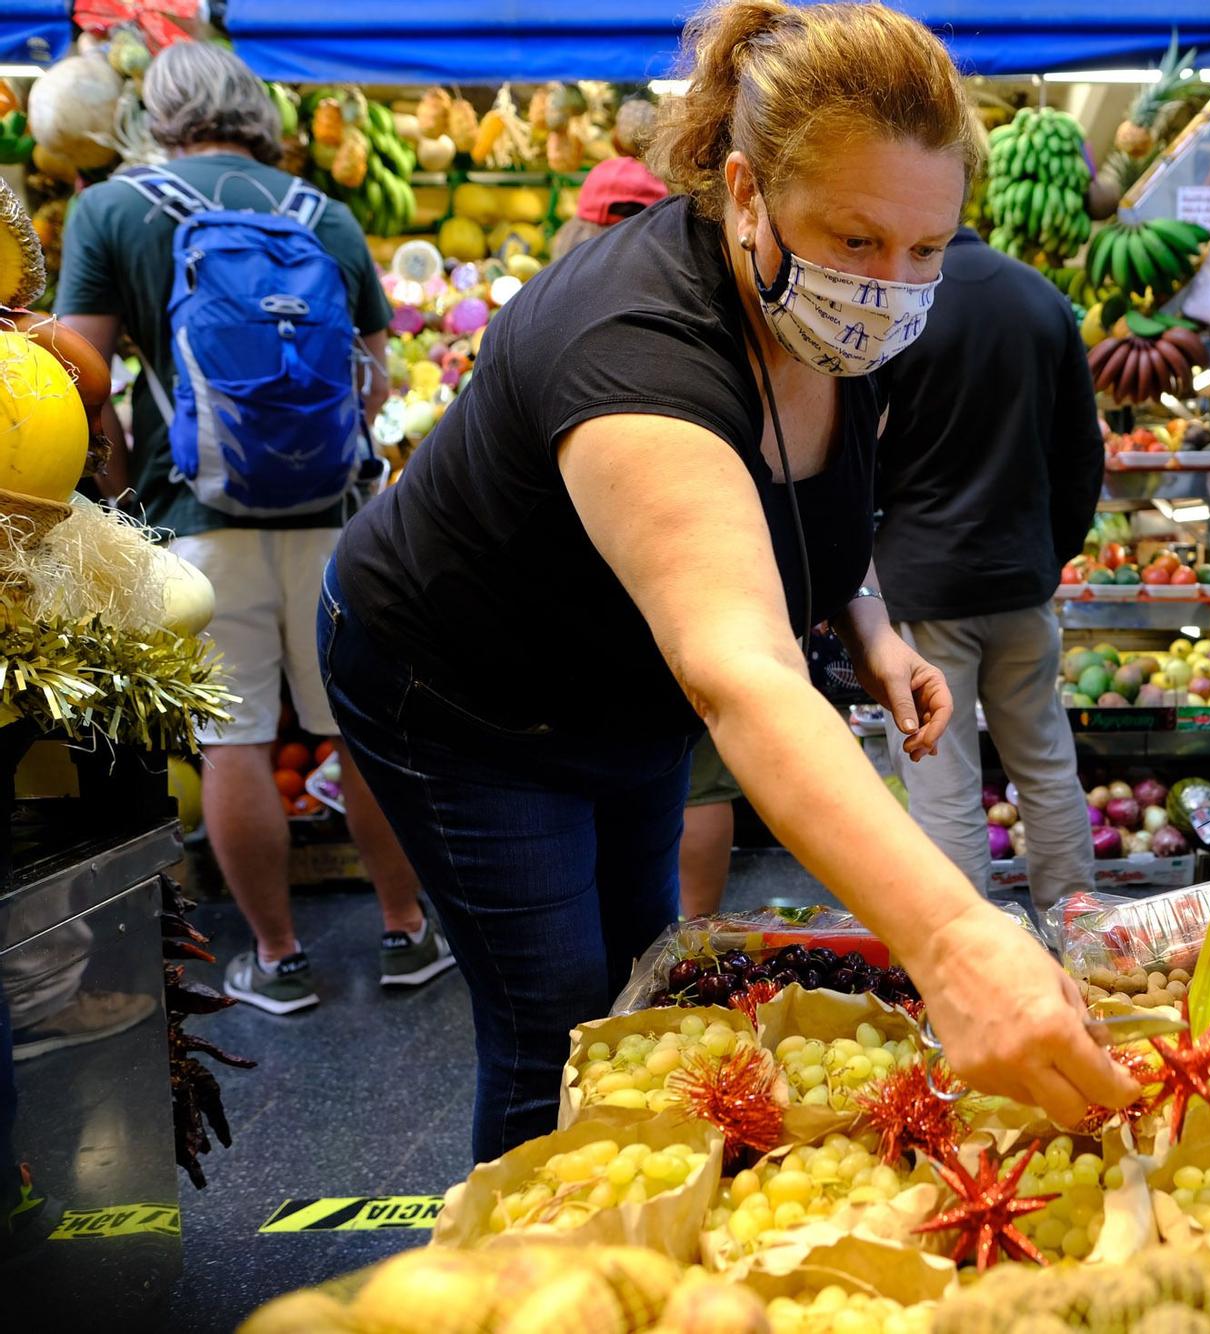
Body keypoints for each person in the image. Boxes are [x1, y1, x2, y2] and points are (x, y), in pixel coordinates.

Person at [321, 0, 1138, 1159]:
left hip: (622, 681)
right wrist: (951, 936)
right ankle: (526, 1268)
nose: (893, 282)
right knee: (556, 1019)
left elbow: (817, 504)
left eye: (925, 249)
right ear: (746, 194)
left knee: (641, 974)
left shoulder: (834, 322)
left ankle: (645, 1205)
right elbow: (739, 674)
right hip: (461, 691)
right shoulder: (635, 344)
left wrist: (868, 623)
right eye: (856, 240)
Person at [56, 42, 450, 1015]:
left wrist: (113, 493)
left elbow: (76, 379)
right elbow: (377, 376)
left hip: (197, 517)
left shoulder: (115, 208)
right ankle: (404, 932)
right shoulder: (325, 214)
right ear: (254, 112)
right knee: (353, 732)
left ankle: (277, 957)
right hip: (332, 522)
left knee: (232, 741)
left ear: (161, 113)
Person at [874, 228, 1102, 912]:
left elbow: (857, 456)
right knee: (1047, 768)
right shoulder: (1041, 299)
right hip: (1022, 585)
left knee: (942, 784)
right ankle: (1077, 942)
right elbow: (1083, 455)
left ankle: (961, 953)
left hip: (922, 588)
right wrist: (1048, 555)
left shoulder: (898, 303)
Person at [548, 158, 741, 918]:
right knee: (701, 775)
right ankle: (691, 938)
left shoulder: (550, 305)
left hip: (585, 617)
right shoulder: (695, 317)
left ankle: (664, 946)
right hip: (685, 595)